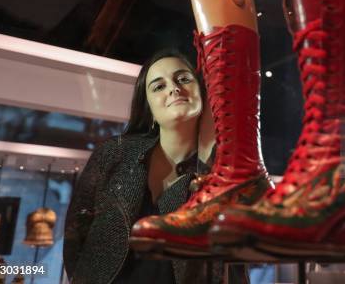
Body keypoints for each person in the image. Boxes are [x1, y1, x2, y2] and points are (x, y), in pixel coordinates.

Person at [63, 48, 242, 284]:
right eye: (158, 86)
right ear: (149, 111)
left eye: (184, 79)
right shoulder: (115, 153)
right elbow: (76, 230)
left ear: (202, 92)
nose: (174, 88)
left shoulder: (220, 171)